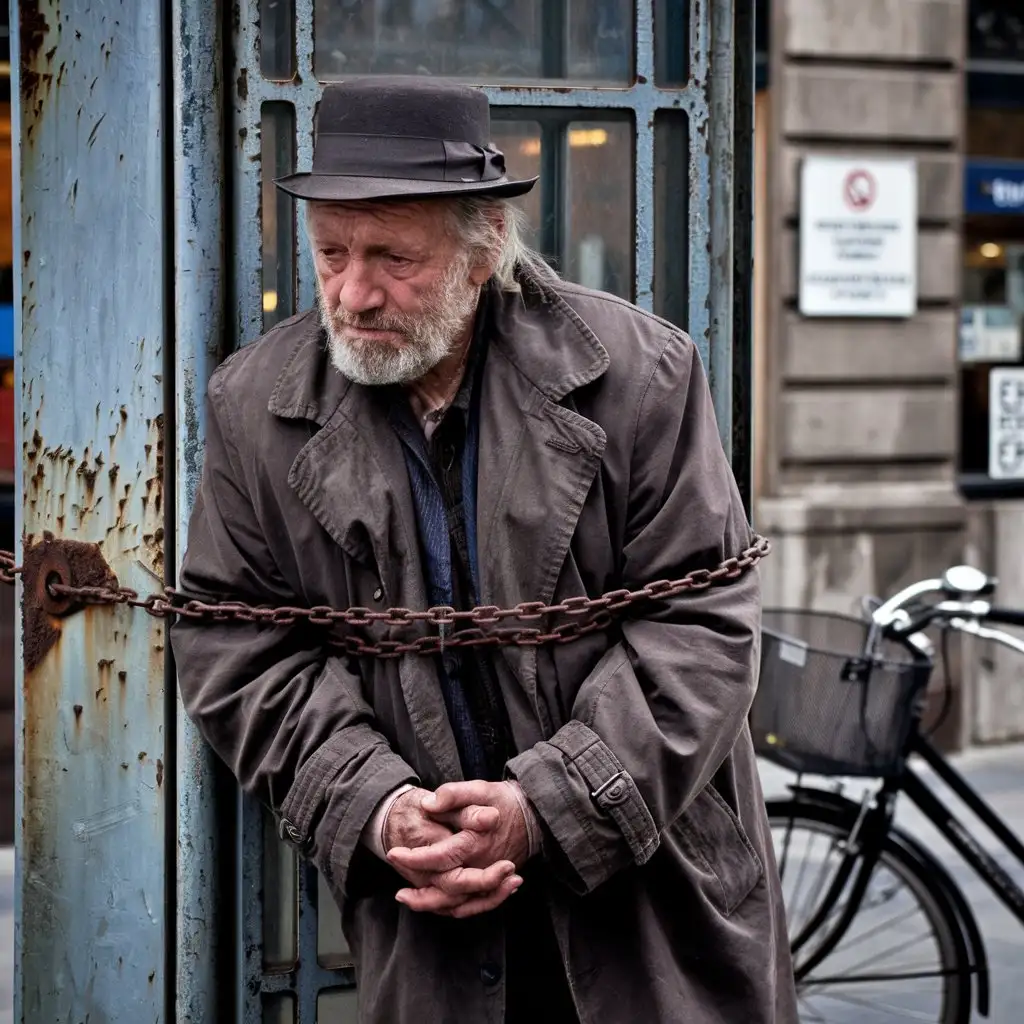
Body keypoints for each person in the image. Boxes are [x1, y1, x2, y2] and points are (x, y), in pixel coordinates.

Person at [171, 75, 797, 1024]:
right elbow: (235, 645)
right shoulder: (256, 408)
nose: (353, 291)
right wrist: (376, 806)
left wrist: (545, 808)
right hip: (428, 921)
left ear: (483, 250)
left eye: (393, 257)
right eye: (331, 250)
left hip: (649, 897)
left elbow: (700, 626)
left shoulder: (638, 375)